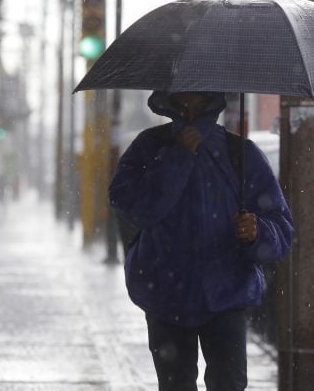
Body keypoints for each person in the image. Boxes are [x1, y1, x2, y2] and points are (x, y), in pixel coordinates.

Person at [109, 91, 294, 391]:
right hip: (164, 294)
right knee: (175, 385)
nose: (191, 114)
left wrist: (257, 231)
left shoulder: (240, 153)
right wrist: (177, 157)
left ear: (212, 101)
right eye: (183, 104)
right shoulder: (150, 147)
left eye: (199, 104)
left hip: (226, 295)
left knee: (228, 383)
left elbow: (281, 228)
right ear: (169, 100)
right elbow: (134, 208)